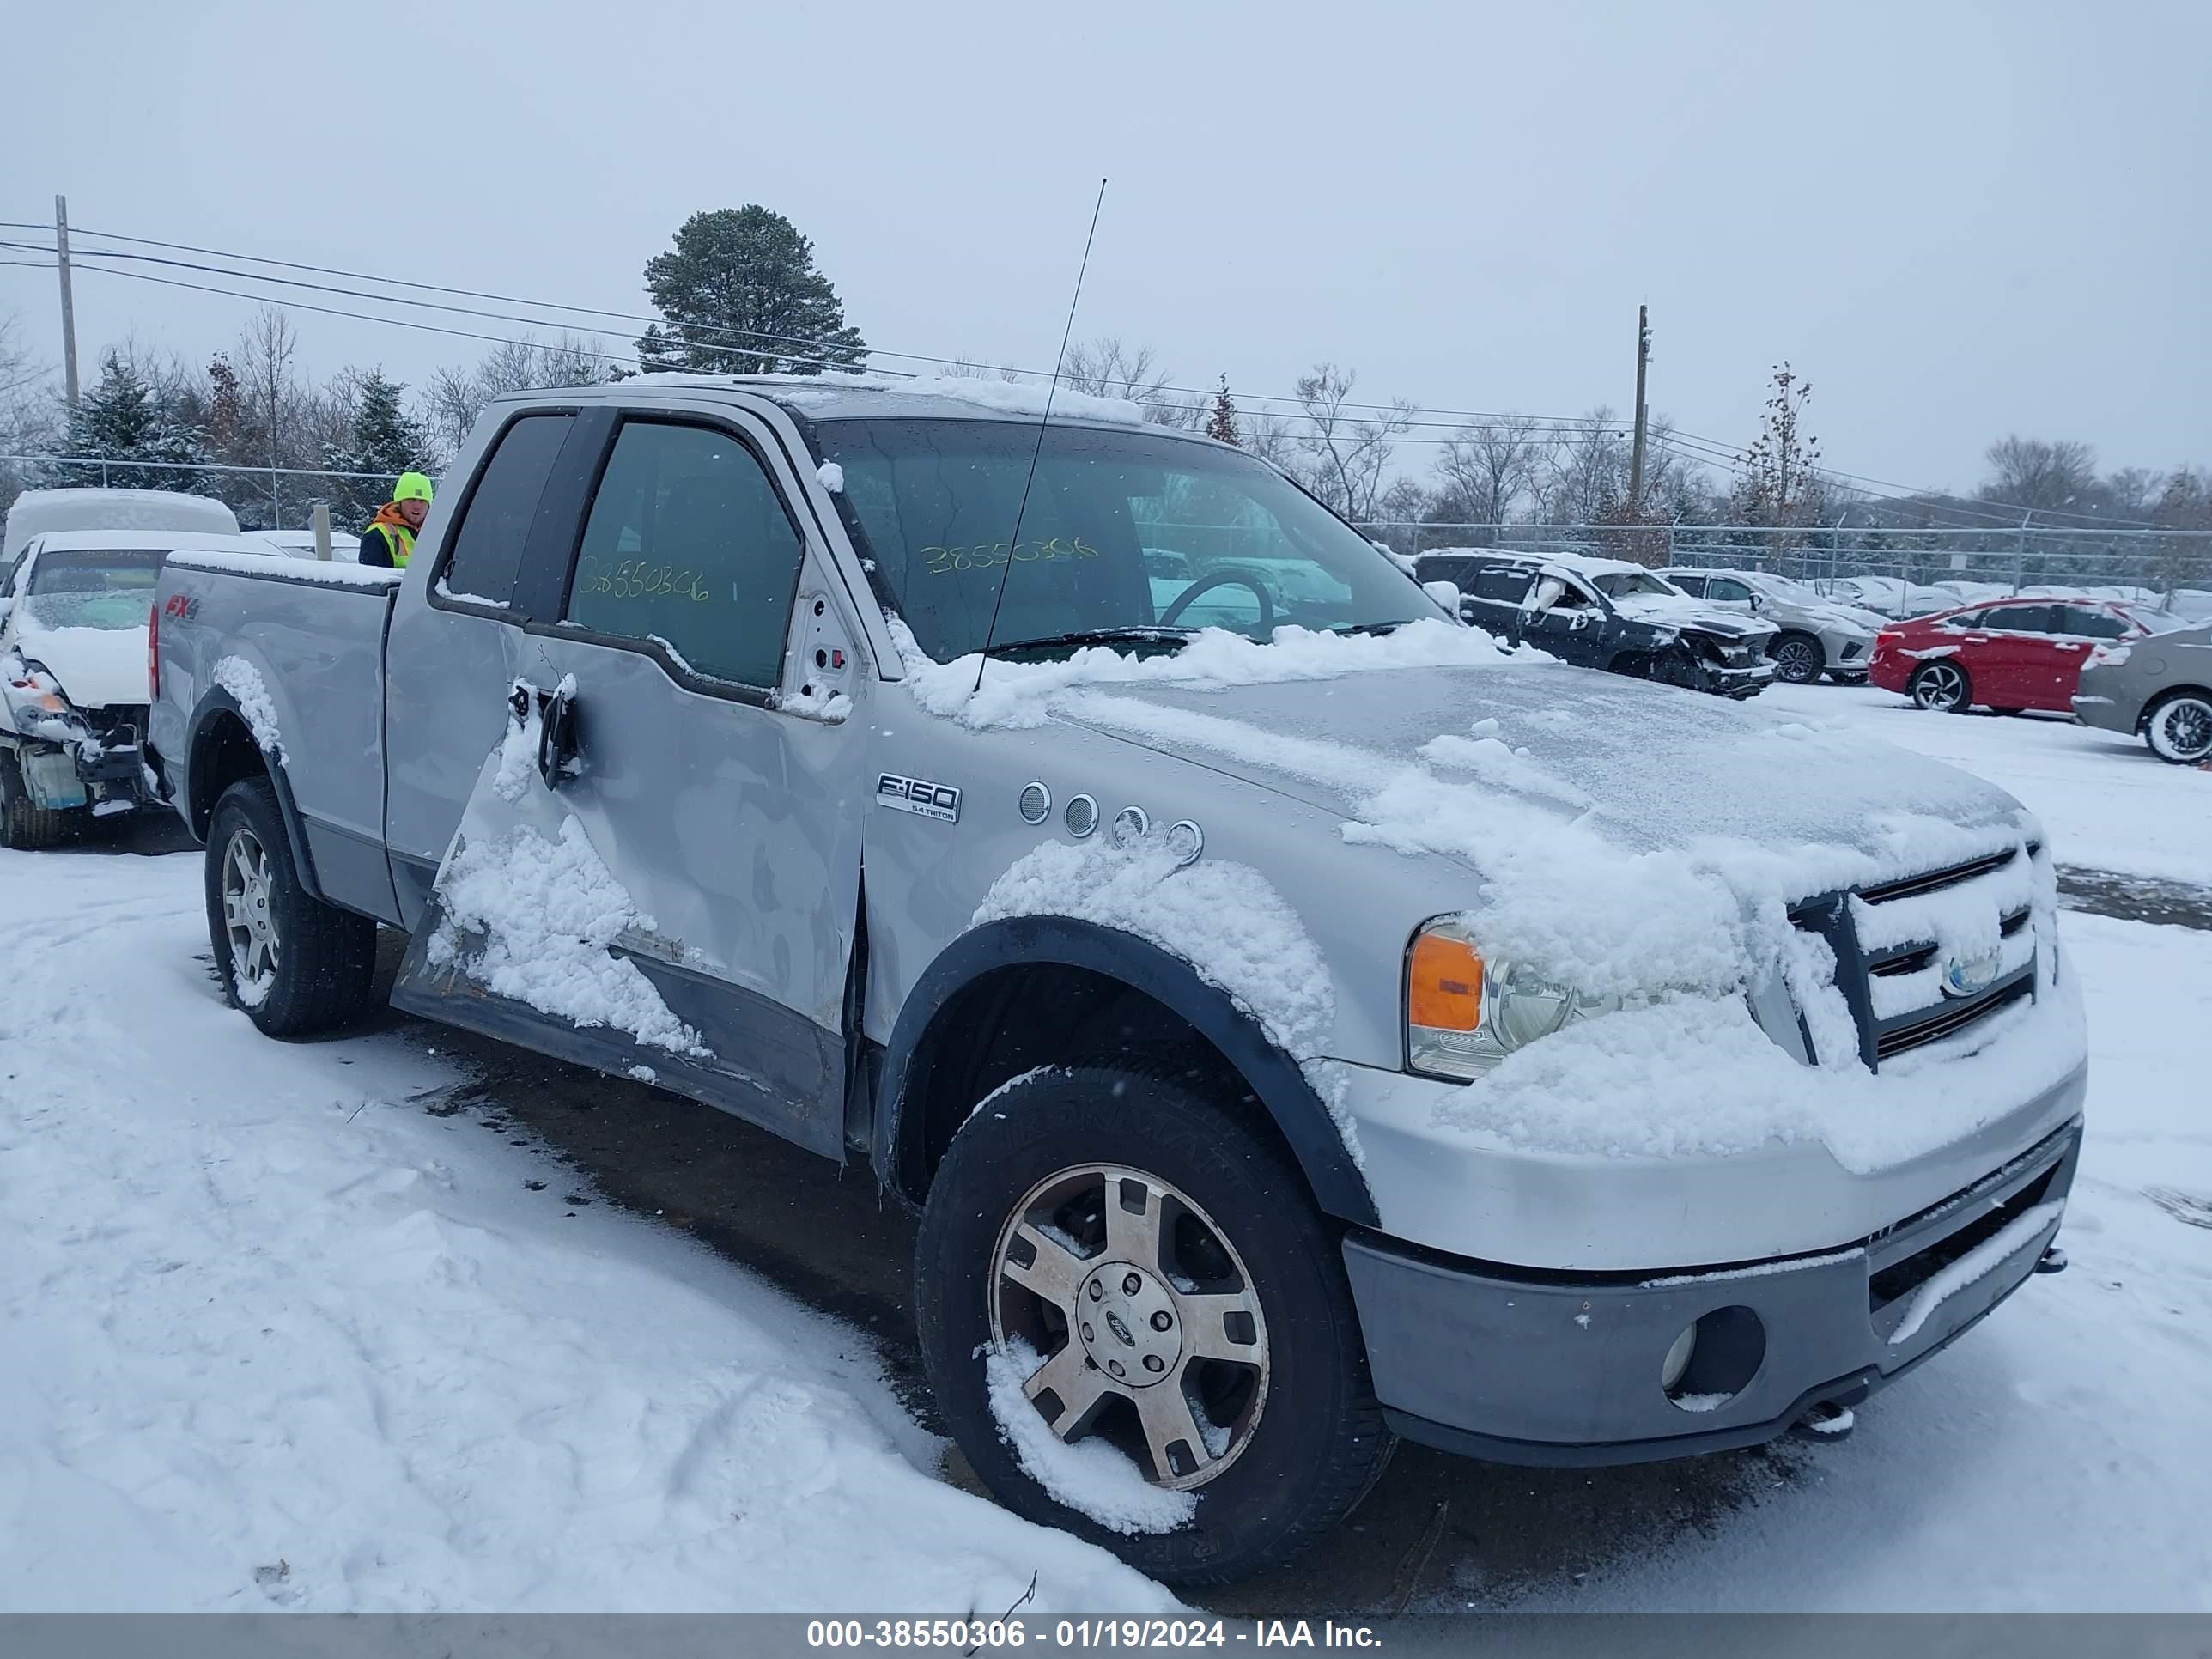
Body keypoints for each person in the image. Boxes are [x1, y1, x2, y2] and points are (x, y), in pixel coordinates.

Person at [360, 471, 435, 568]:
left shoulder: (436, 533)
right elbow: (373, 578)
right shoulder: (377, 535)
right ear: (399, 503)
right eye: (411, 500)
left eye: (422, 501)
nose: (417, 506)